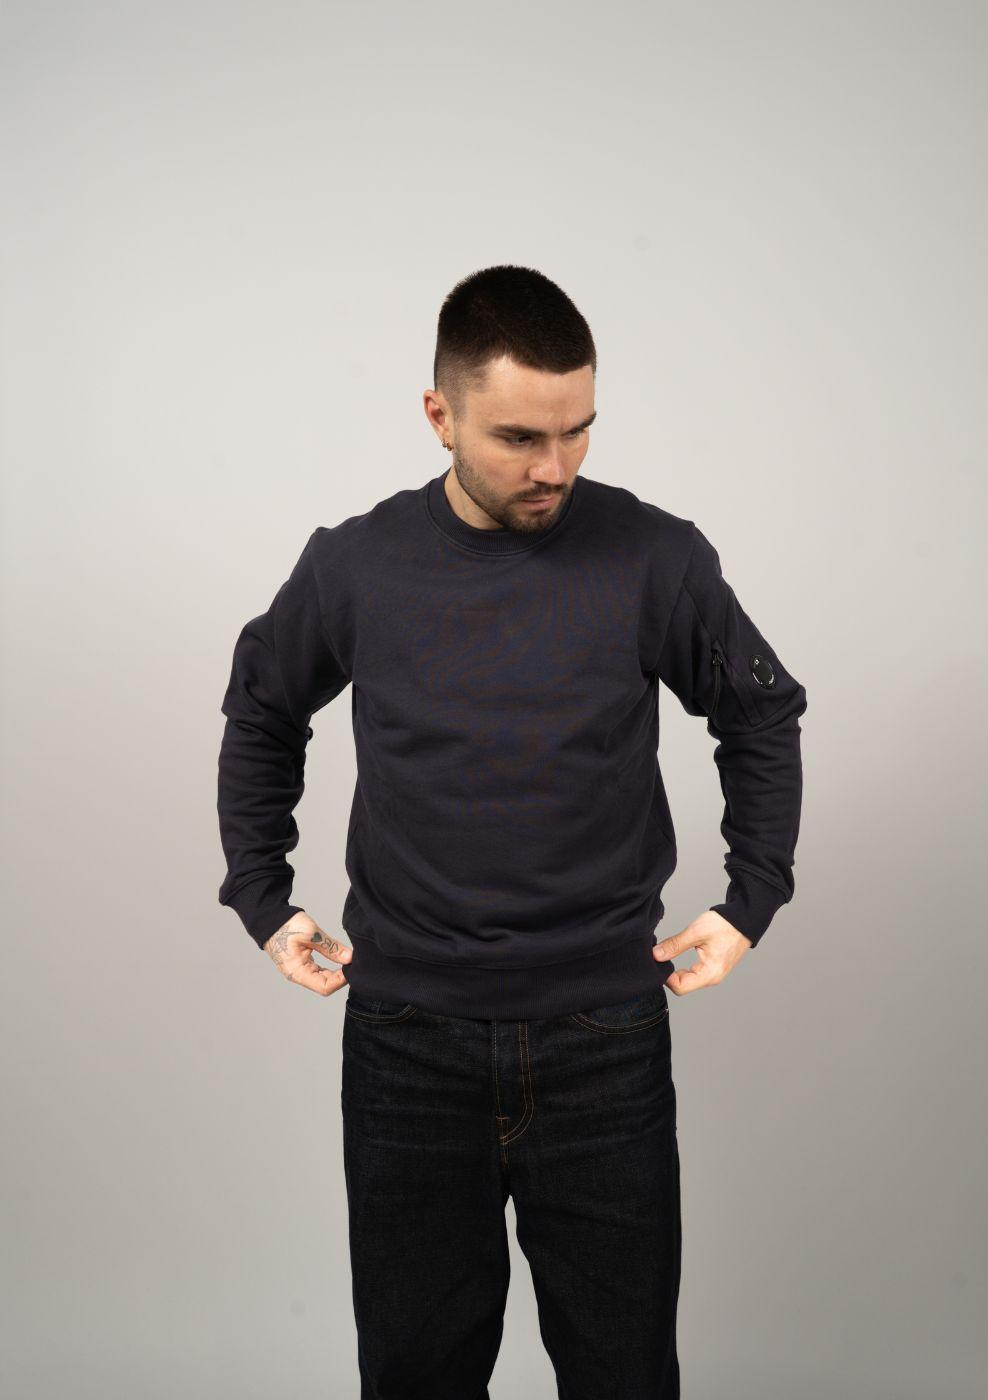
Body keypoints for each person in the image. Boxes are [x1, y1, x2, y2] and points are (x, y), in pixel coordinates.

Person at [216, 263, 807, 1399]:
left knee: (624, 1374)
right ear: (439, 415)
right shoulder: (355, 565)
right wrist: (262, 895)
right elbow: (263, 711)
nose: (554, 467)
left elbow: (761, 713)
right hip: (406, 1039)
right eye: (520, 437)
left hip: (603, 1036)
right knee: (416, 1375)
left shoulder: (656, 557)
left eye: (578, 430)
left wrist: (751, 900)